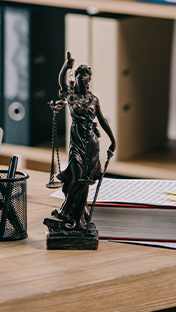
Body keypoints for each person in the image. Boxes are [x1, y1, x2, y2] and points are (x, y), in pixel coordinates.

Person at [48, 51, 116, 231]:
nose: (84, 83)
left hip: (92, 143)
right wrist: (66, 66)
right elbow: (62, 83)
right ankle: (65, 212)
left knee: (85, 181)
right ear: (76, 80)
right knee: (77, 176)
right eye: (80, 80)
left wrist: (112, 140)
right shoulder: (72, 97)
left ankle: (78, 217)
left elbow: (102, 121)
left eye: (86, 80)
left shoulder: (94, 100)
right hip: (77, 140)